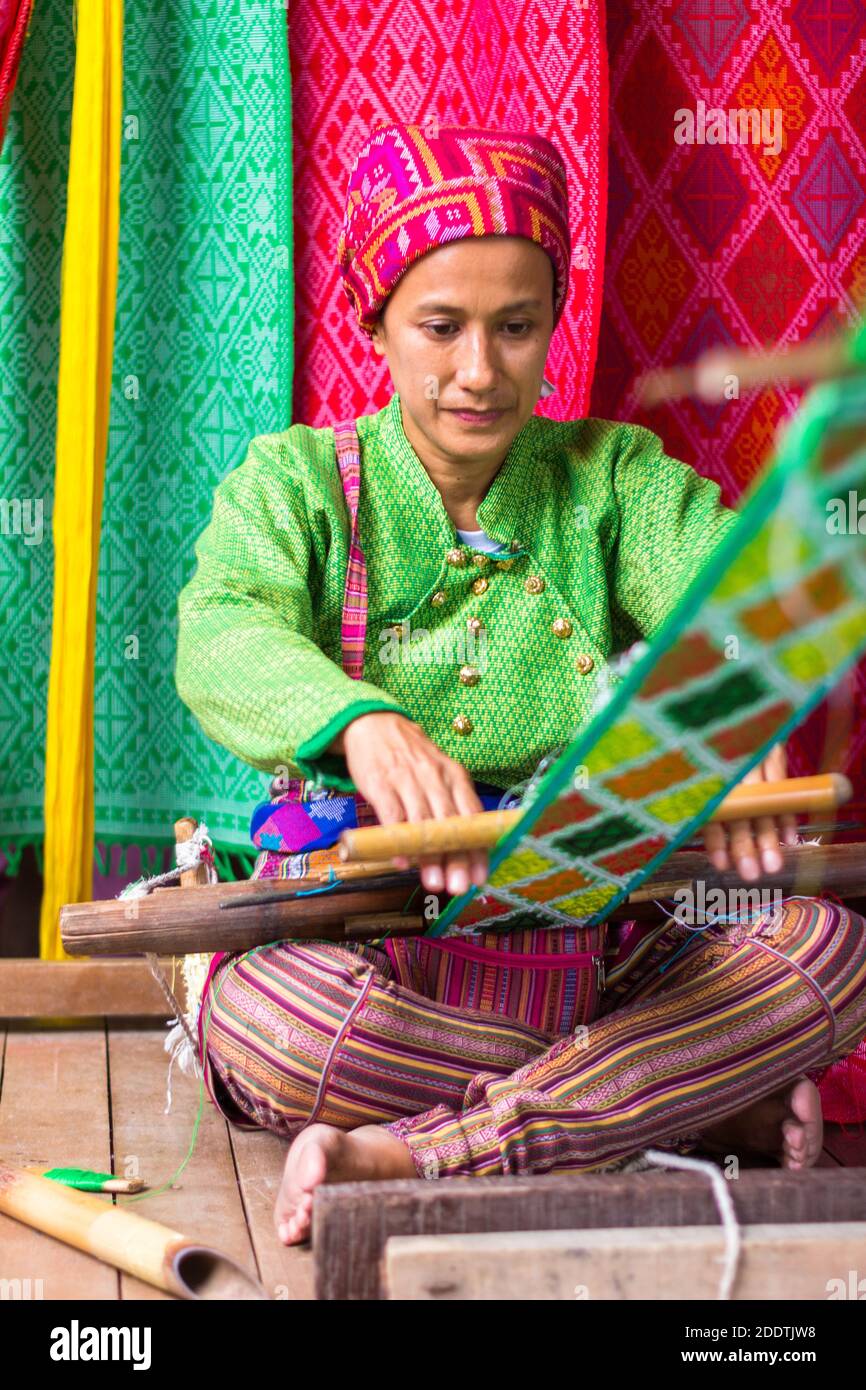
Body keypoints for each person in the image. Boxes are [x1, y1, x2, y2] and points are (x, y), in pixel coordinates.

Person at [174, 122, 866, 1246]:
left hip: (604, 953)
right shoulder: (294, 485)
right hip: (382, 965)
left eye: (515, 326)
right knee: (265, 1029)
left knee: (827, 958)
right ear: (378, 322)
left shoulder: (612, 481)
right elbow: (217, 629)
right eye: (439, 327)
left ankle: (417, 1150)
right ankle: (667, 1095)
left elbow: (748, 599)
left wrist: (737, 708)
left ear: (552, 321)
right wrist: (362, 723)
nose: (478, 372)